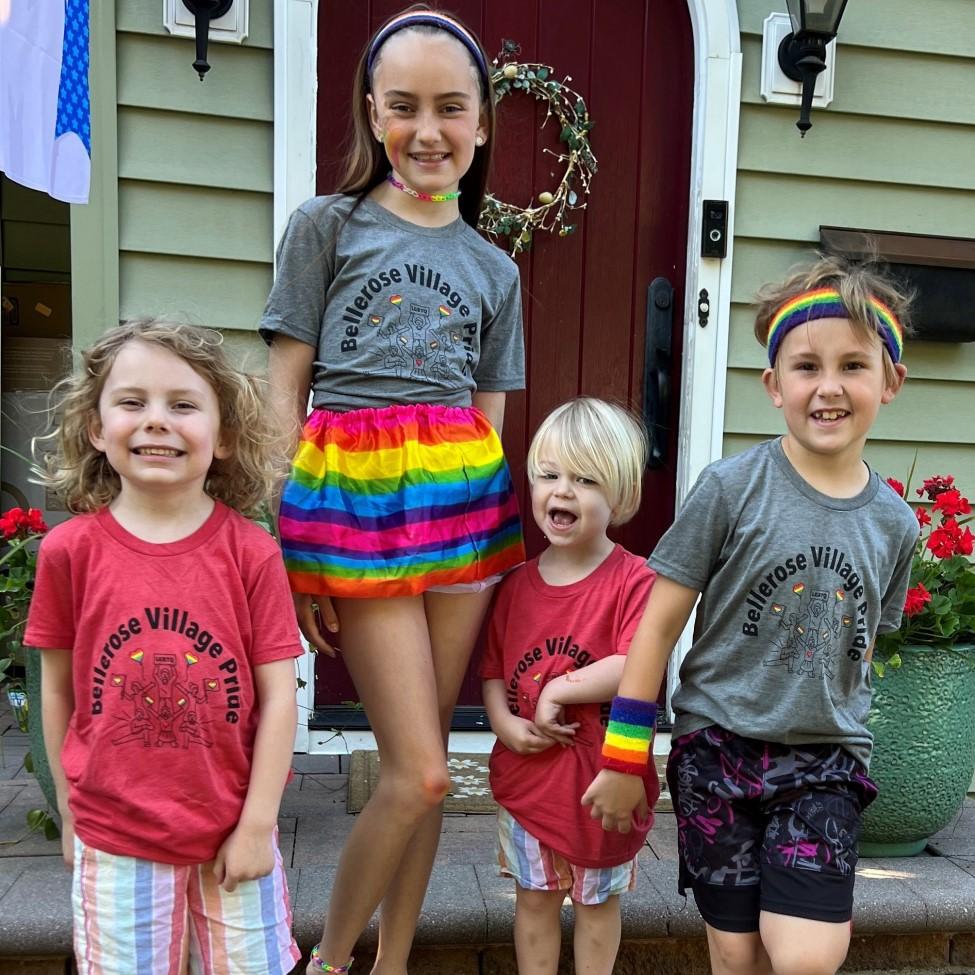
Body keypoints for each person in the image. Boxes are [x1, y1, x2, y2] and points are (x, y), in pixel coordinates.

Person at [259, 6, 526, 972]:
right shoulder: (326, 227)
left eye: (451, 109)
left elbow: (487, 422)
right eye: (405, 106)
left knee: (432, 776)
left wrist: (486, 549)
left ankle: (395, 960)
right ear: (373, 114)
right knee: (414, 767)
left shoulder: (495, 268)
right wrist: (293, 543)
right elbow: (285, 388)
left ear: (482, 123)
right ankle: (329, 963)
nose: (428, 130)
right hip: (352, 514)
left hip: (460, 517)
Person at [582, 256, 920, 975]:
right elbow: (657, 625)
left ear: (890, 382)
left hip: (824, 759)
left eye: (853, 365)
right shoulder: (730, 489)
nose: (827, 386)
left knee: (802, 955)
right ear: (773, 386)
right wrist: (624, 752)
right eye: (805, 366)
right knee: (735, 956)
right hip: (716, 751)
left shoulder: (895, 521)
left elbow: (862, 647)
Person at [25, 320, 303, 975]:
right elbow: (57, 687)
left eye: (182, 404)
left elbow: (278, 696)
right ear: (95, 426)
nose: (156, 421)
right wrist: (68, 809)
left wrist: (259, 822)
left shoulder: (251, 554)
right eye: (132, 402)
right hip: (115, 833)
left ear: (225, 434)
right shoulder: (69, 553)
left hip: (232, 823)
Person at [481, 398, 658, 975]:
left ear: (620, 495)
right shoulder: (515, 587)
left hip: (600, 784)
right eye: (549, 475)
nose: (562, 491)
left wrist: (561, 688)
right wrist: (505, 724)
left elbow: (639, 663)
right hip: (531, 781)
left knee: (597, 902)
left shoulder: (635, 580)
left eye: (585, 479)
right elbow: (491, 672)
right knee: (533, 900)